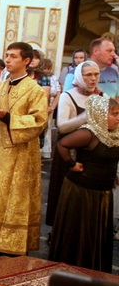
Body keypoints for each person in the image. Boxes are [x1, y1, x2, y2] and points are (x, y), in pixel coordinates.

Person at [0, 42, 48, 256]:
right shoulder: (1, 85)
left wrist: (7, 116)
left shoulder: (35, 90)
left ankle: (8, 246)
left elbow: (39, 121)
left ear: (27, 61)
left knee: (12, 199)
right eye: (7, 55)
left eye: (13, 56)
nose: (8, 60)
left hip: (18, 154)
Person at [49, 94, 119, 272]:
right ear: (101, 114)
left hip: (102, 193)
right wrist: (72, 165)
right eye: (115, 114)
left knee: (96, 235)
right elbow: (62, 144)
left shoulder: (114, 134)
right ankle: (73, 270)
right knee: (80, 234)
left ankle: (92, 270)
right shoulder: (88, 133)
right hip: (82, 192)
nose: (118, 118)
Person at [45, 60, 103, 227]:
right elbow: (62, 126)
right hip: (69, 154)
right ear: (80, 76)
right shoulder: (67, 96)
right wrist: (85, 117)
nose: (93, 78)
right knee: (65, 195)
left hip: (91, 156)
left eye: (96, 74)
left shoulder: (101, 96)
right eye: (88, 75)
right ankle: (59, 233)